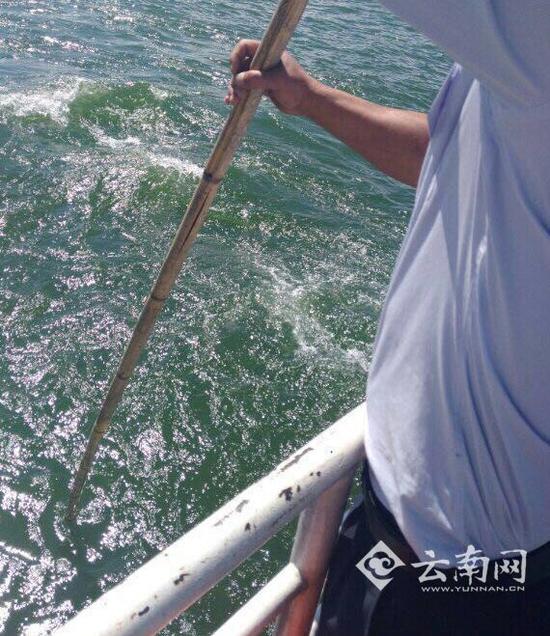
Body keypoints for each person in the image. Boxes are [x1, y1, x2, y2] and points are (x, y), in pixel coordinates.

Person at [226, 2, 550, 634]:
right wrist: (312, 99)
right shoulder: (524, 82)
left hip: (454, 581)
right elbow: (450, 154)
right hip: (449, 553)